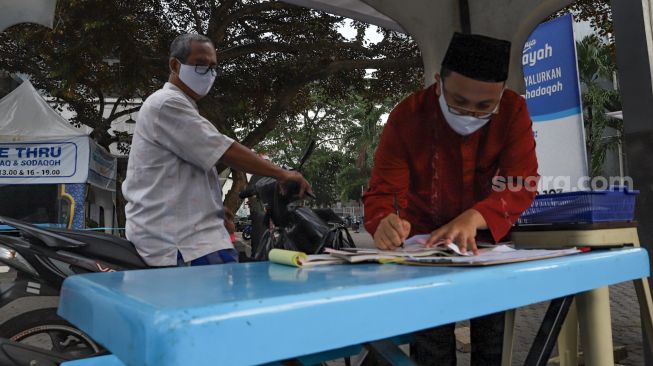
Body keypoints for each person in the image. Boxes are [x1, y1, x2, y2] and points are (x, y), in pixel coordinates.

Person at [362, 32, 539, 365]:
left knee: (493, 345)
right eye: (459, 101)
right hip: (425, 244)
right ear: (438, 84)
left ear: (501, 93)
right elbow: (382, 191)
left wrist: (474, 217)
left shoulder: (514, 111)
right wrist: (382, 221)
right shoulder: (408, 115)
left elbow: (521, 184)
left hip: (486, 240)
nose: (471, 113)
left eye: (485, 106)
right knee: (431, 348)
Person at [123, 34, 311, 267]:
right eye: (201, 64)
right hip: (181, 244)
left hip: (194, 238)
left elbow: (180, 178)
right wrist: (281, 173)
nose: (209, 73)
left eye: (213, 67)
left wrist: (216, 211)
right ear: (174, 65)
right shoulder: (166, 104)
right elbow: (223, 149)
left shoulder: (183, 107)